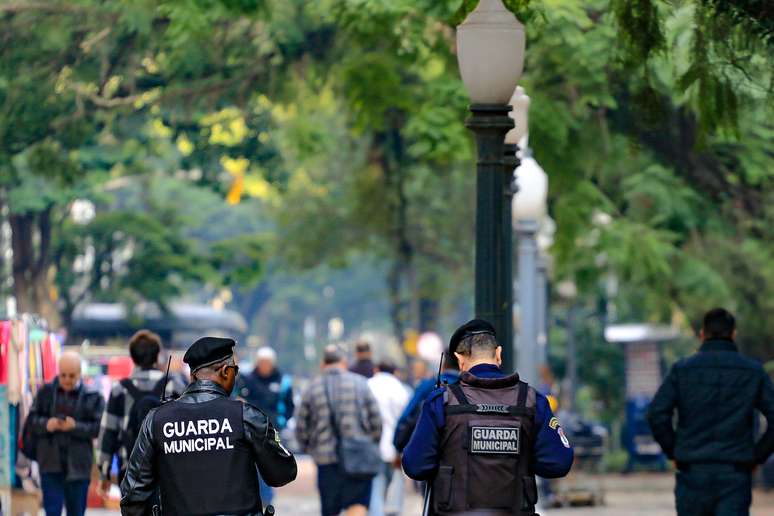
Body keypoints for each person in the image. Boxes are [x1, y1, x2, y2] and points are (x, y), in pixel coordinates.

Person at [402, 319, 574, 515]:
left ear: (459, 360)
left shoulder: (441, 402)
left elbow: (415, 466)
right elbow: (559, 463)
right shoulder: (532, 401)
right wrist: (520, 454)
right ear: (498, 354)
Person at [120, 336, 297, 515]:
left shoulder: (157, 419)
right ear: (226, 371)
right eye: (235, 371)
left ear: (192, 375)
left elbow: (133, 493)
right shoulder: (246, 416)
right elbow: (283, 472)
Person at [647, 308, 774, 516]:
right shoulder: (752, 372)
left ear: (702, 334)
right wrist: (757, 456)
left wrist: (674, 451)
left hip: (692, 473)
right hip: (735, 473)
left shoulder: (682, 370)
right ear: (733, 334)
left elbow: (657, 414)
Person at [295, 345, 382, 516]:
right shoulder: (360, 384)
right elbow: (376, 420)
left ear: (323, 363)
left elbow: (301, 426)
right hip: (358, 457)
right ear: (344, 362)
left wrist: (310, 448)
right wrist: (372, 441)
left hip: (326, 459)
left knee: (330, 508)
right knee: (357, 503)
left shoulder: (312, 388)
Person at [97, 330, 184, 497]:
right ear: (157, 356)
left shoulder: (119, 389)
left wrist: (104, 473)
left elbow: (108, 433)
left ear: (132, 357)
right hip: (167, 471)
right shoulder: (174, 385)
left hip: (129, 470)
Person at [27, 351, 105, 516]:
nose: (67, 380)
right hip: (50, 463)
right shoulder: (45, 392)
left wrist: (75, 426)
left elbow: (98, 428)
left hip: (79, 466)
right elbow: (31, 421)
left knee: (76, 512)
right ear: (58, 372)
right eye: (63, 375)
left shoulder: (93, 396)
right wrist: (47, 424)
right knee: (52, 512)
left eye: (72, 375)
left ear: (80, 373)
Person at [235, 345, 295, 505]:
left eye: (267, 362)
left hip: (273, 430)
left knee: (269, 464)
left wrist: (282, 421)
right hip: (250, 429)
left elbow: (290, 405)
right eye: (262, 362)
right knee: (252, 464)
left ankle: (266, 499)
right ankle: (256, 497)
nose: (264, 366)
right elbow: (238, 399)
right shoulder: (246, 380)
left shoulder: (283, 381)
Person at [394, 352, 460, 454]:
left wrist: (398, 444)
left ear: (444, 364)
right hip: (459, 452)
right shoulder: (469, 386)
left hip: (429, 450)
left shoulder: (429, 384)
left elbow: (407, 415)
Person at [367, 361, 411, 516]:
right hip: (394, 447)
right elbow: (406, 421)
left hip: (371, 445)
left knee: (375, 485)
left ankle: (376, 511)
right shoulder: (401, 389)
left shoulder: (367, 385)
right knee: (390, 483)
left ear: (376, 369)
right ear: (394, 371)